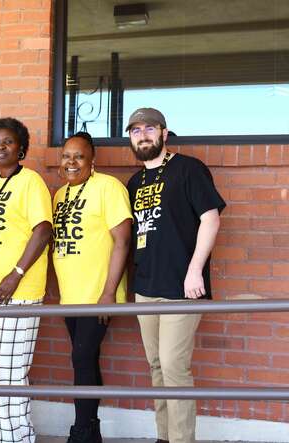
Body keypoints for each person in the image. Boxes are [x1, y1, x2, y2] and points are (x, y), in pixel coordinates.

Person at [125, 108, 225, 443]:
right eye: (136, 130)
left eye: (149, 128)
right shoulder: (134, 182)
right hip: (146, 287)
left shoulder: (188, 169)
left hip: (183, 288)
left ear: (165, 134)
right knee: (156, 366)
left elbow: (211, 219)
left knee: (173, 366)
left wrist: (195, 270)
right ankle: (164, 437)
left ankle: (182, 440)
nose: (143, 135)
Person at [48, 132, 132, 443]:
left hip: (98, 295)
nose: (71, 162)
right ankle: (91, 428)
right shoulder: (61, 195)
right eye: (66, 156)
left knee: (81, 357)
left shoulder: (108, 187)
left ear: (92, 160)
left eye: (79, 156)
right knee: (85, 358)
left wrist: (109, 294)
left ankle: (81, 431)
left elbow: (123, 241)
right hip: (72, 297)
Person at [0, 117, 52, 443]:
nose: (1, 147)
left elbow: (43, 229)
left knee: (9, 375)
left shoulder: (31, 181)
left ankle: (10, 440)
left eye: (8, 141)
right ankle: (13, 437)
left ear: (21, 147)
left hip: (18, 292)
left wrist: (16, 273)